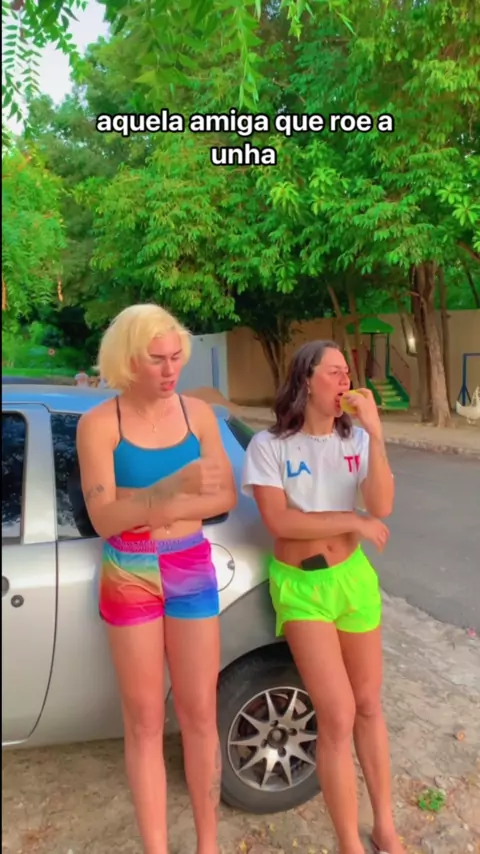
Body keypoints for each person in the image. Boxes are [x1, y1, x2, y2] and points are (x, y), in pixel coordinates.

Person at [76, 304, 237, 854]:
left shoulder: (199, 415)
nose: (171, 371)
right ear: (127, 361)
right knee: (144, 721)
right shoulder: (100, 425)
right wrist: (173, 488)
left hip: (189, 560)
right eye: (157, 360)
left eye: (176, 358)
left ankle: (208, 846)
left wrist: (148, 504)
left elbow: (223, 495)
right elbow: (105, 519)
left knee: (199, 713)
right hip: (131, 567)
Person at [241, 340, 403, 854]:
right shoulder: (269, 446)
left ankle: (385, 825)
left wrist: (376, 435)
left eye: (346, 373)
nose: (344, 381)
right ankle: (348, 843)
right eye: (333, 372)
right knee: (336, 714)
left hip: (352, 579)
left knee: (368, 705)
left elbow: (382, 504)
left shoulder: (354, 440)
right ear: (306, 380)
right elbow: (280, 521)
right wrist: (351, 519)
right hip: (303, 587)